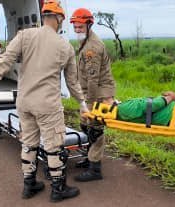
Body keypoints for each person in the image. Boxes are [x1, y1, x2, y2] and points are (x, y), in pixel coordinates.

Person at [0, 0, 88, 202]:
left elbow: (4, 63)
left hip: (24, 102)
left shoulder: (24, 35)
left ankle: (29, 185)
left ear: (44, 16)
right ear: (59, 18)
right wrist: (82, 103)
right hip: (47, 105)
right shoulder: (65, 47)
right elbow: (72, 82)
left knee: (29, 143)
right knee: (54, 146)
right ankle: (58, 189)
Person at [70, 8, 116, 182]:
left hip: (98, 95)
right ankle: (90, 157)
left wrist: (87, 104)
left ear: (89, 25)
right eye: (75, 27)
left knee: (95, 129)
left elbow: (93, 79)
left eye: (80, 27)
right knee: (85, 126)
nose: (77, 30)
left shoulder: (92, 48)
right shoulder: (85, 41)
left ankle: (95, 169)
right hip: (90, 93)